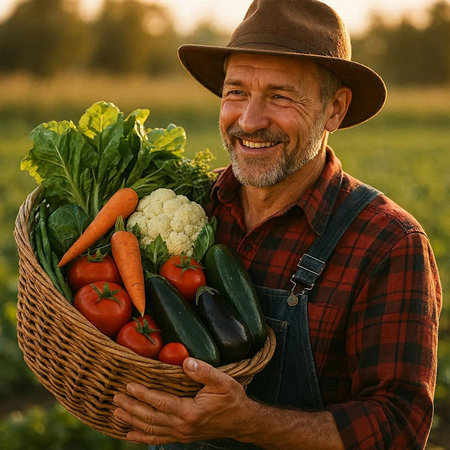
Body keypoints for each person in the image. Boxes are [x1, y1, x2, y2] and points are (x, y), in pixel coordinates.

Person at [113, 0, 442, 448]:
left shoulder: (387, 242)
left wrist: (248, 422)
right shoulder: (191, 208)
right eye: (236, 92)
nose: (249, 120)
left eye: (281, 96)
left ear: (335, 110)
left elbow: (399, 427)